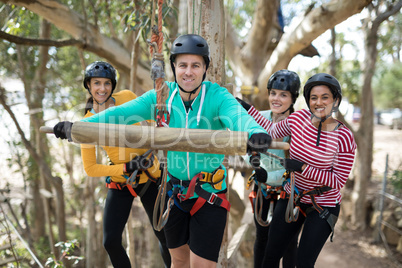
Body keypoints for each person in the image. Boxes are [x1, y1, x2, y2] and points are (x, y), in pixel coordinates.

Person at [53, 34, 272, 268]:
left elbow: (239, 118)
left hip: (208, 194)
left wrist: (254, 133)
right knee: (178, 261)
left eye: (195, 65)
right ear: (174, 68)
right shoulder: (162, 96)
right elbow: (119, 114)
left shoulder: (217, 96)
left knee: (201, 266)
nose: (188, 72)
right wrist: (78, 127)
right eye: (183, 65)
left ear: (205, 68)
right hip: (173, 193)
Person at [53, 61, 171, 268]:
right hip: (122, 180)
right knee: (111, 241)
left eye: (107, 83)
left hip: (150, 176)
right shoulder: (87, 123)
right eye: (96, 83)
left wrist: (150, 147)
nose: (102, 88)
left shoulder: (126, 97)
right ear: (88, 85)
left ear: (113, 85)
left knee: (164, 235)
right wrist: (126, 168)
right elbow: (91, 168)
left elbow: (148, 119)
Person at [238, 73, 356, 268]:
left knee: (303, 263)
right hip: (293, 195)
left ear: (335, 100)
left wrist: (302, 168)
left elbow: (338, 181)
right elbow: (271, 130)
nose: (319, 102)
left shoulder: (344, 136)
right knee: (270, 256)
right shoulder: (298, 118)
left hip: (323, 205)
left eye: (325, 97)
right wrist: (247, 109)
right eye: (313, 97)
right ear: (308, 100)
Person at [238, 69, 300, 268]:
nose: (276, 98)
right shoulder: (258, 118)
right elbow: (247, 150)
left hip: (289, 192)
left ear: (293, 98)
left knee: (288, 243)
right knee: (262, 238)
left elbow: (298, 162)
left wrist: (271, 175)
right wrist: (255, 165)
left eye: (283, 95)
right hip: (262, 187)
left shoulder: (299, 125)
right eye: (273, 93)